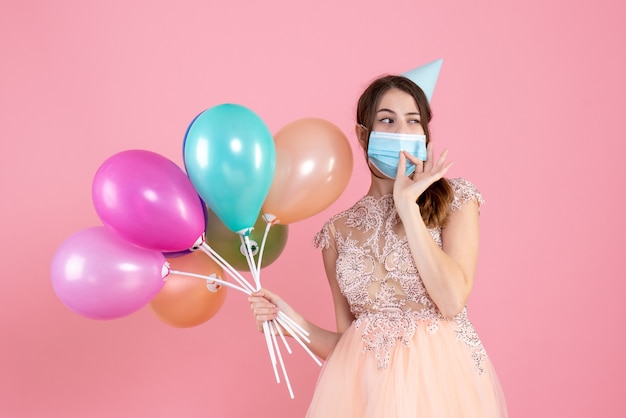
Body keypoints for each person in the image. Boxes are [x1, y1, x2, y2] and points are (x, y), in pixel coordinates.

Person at [249, 74, 508, 417]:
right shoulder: (337, 233)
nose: (402, 131)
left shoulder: (456, 200)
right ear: (362, 134)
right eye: (387, 120)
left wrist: (408, 208)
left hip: (444, 394)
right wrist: (292, 323)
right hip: (369, 400)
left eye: (413, 121)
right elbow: (351, 346)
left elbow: (450, 300)